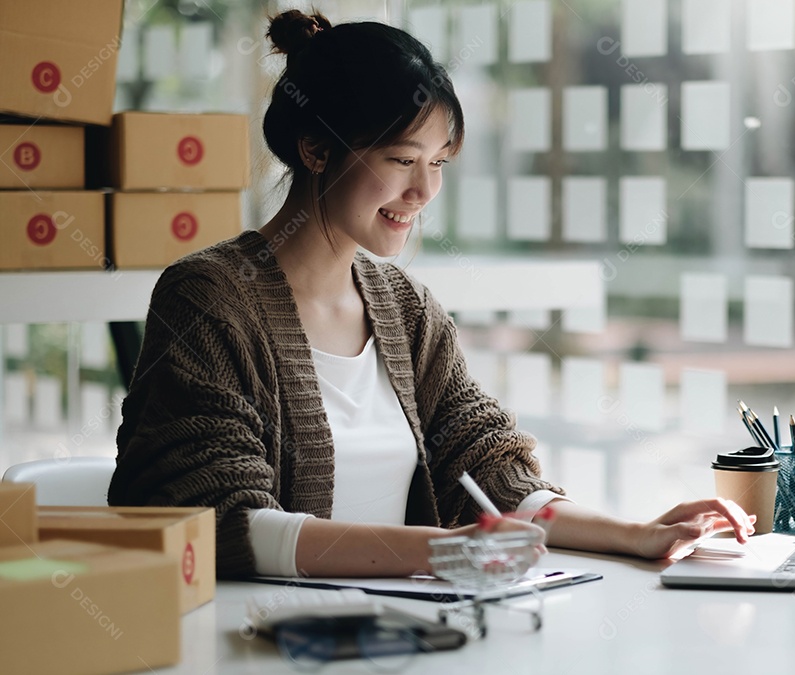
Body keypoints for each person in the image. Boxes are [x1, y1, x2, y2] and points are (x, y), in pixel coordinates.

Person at [108, 10, 754, 579]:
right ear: (315, 149)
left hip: (405, 630)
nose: (423, 192)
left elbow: (489, 471)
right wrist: (440, 550)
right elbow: (222, 519)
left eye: (438, 163)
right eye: (399, 159)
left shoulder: (404, 308)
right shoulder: (209, 298)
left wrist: (640, 534)